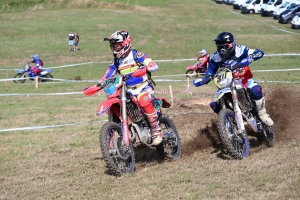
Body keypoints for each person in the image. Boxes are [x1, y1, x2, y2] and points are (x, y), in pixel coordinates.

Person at [193, 32, 274, 127]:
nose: (221, 49)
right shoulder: (216, 56)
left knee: (255, 90)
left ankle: (262, 114)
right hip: (226, 83)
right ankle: (227, 123)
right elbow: (211, 69)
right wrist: (206, 78)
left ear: (230, 45)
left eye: (223, 47)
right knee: (214, 104)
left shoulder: (240, 49)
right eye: (219, 46)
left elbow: (259, 52)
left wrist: (248, 59)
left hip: (244, 80)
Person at [98, 30, 162, 145]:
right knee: (121, 104)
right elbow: (108, 74)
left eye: (117, 45)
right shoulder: (116, 61)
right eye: (113, 46)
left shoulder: (136, 55)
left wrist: (149, 66)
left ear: (126, 43)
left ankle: (156, 130)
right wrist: (100, 84)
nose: (115, 48)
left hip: (144, 88)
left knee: (143, 100)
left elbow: (150, 63)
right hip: (128, 91)